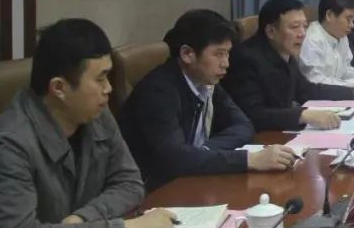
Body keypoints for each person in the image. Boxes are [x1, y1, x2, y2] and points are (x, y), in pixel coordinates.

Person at [0, 19, 175, 228]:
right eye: (100, 78)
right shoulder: (9, 143)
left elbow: (130, 183)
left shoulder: (96, 114)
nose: (109, 89)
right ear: (59, 88)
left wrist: (83, 218)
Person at [120, 10, 297, 191]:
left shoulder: (204, 80)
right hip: (156, 190)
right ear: (187, 54)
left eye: (227, 54)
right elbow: (175, 159)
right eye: (218, 54)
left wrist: (201, 153)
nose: (226, 63)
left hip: (191, 178)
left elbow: (244, 126)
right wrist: (249, 160)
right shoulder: (157, 92)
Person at [222, 0, 354, 132]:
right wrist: (303, 115)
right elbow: (254, 114)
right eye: (295, 27)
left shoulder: (284, 51)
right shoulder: (245, 59)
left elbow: (307, 90)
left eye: (304, 26)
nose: (302, 34)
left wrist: (353, 92)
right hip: (258, 141)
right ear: (271, 31)